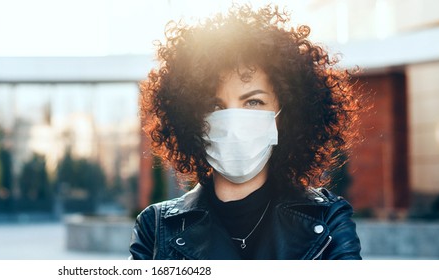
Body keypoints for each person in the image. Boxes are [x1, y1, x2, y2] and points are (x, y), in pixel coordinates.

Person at [130, 4, 363, 260]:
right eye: (214, 105)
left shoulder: (328, 221)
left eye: (253, 102)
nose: (233, 121)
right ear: (191, 118)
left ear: (285, 115)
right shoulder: (156, 227)